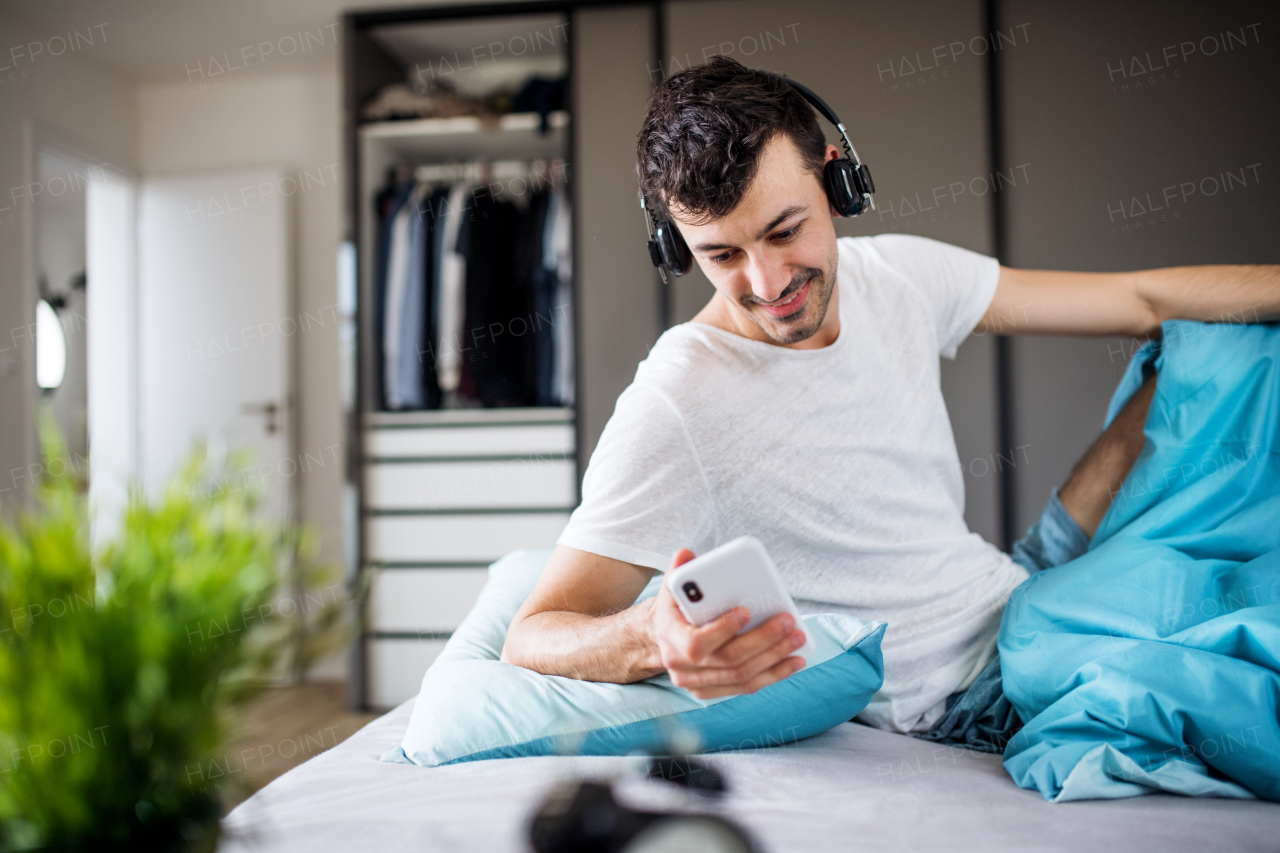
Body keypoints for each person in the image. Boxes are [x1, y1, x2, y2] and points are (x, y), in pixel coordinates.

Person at [500, 56, 1280, 750]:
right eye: (723, 255)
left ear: (837, 184)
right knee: (1240, 665)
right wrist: (651, 634)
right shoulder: (677, 398)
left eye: (784, 230)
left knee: (1218, 346)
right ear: (676, 248)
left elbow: (1142, 299)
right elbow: (531, 635)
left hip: (1019, 583)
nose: (768, 285)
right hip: (971, 691)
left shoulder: (895, 273)